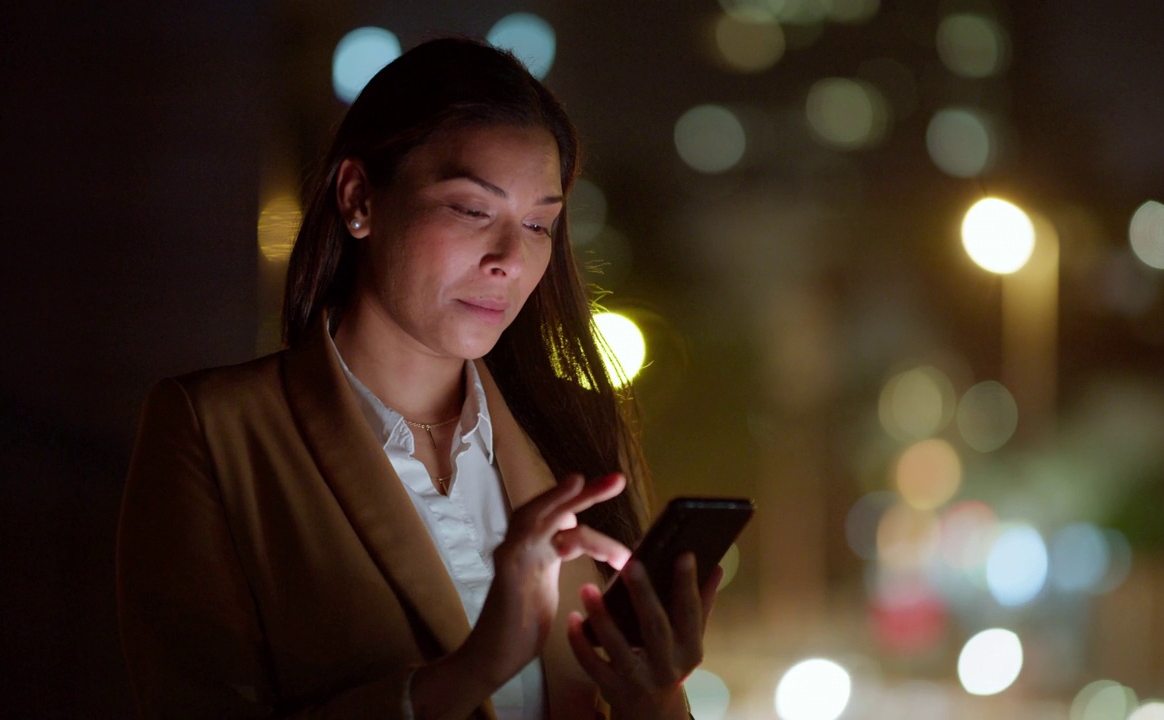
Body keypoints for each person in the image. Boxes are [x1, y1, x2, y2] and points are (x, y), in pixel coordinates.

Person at [116, 36, 720, 719]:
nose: (509, 259)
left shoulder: (567, 433)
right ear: (359, 199)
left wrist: (655, 696)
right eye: (470, 210)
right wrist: (471, 671)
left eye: (538, 223)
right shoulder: (215, 430)